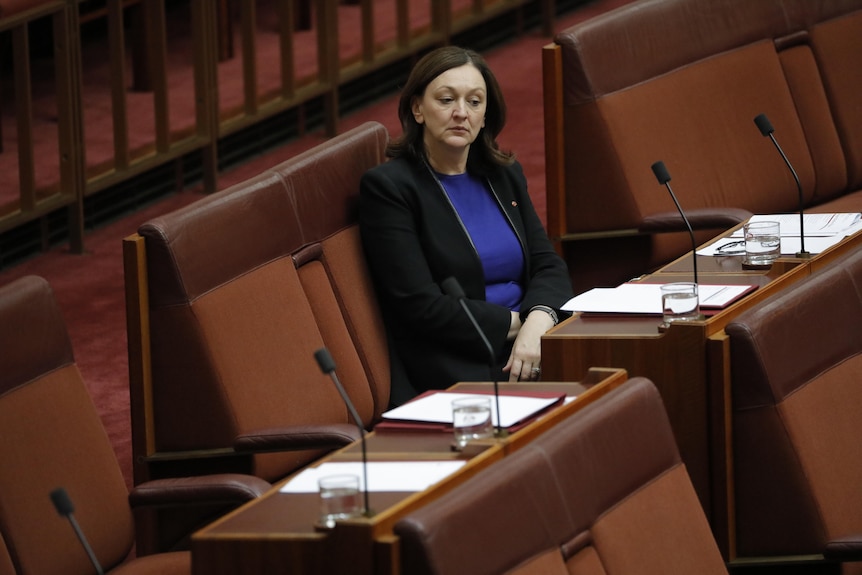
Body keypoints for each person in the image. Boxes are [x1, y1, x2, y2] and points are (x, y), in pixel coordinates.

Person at [359, 46, 574, 404]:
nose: (461, 113)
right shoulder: (390, 189)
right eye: (446, 100)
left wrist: (539, 320)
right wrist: (518, 325)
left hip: (534, 342)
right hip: (461, 363)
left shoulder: (503, 175)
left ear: (486, 113)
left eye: (474, 102)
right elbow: (419, 306)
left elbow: (547, 263)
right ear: (417, 109)